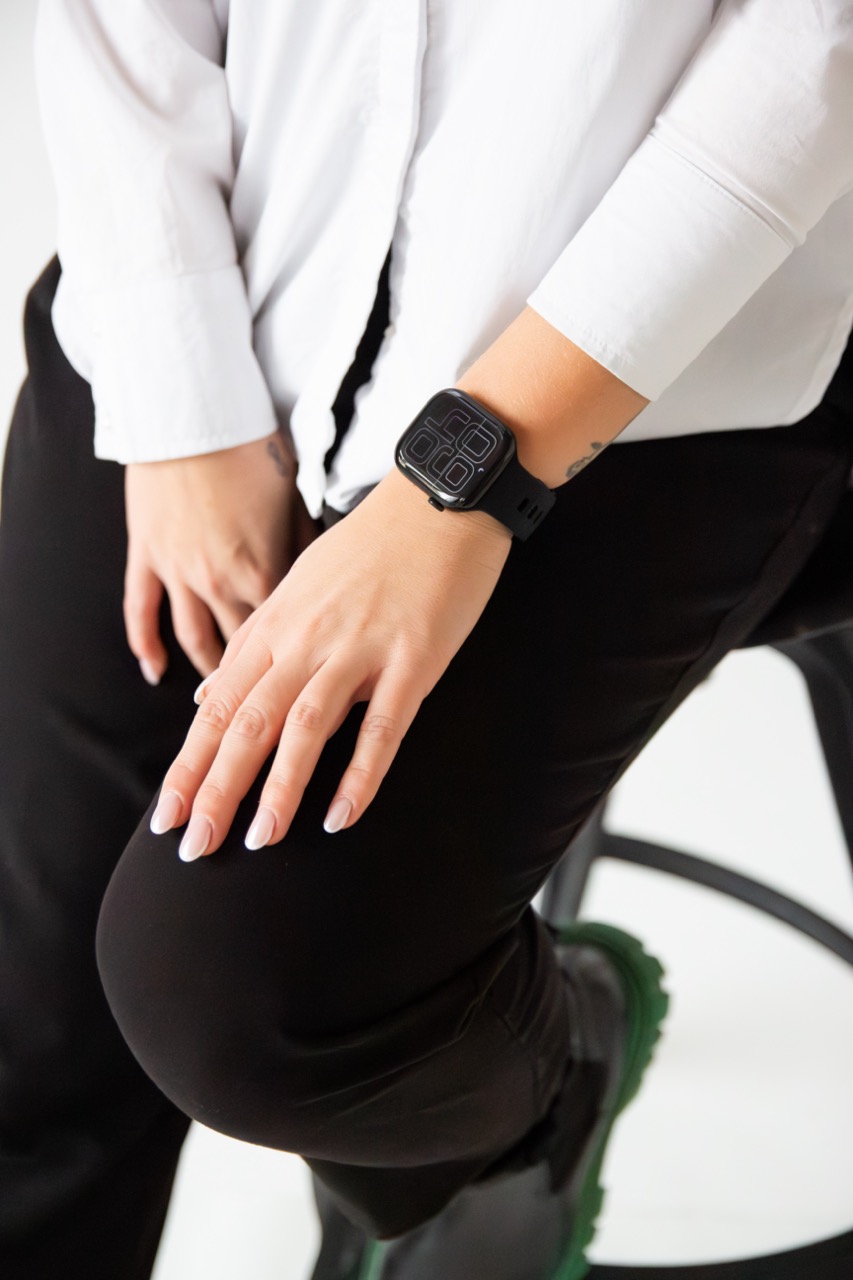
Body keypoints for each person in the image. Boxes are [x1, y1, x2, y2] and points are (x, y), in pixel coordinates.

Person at [2, 2, 852, 1278]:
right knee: (23, 1029)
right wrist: (181, 395)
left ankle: (546, 1076)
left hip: (649, 379)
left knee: (246, 998)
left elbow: (814, 46)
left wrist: (465, 481)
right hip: (214, 277)